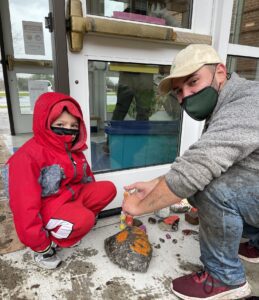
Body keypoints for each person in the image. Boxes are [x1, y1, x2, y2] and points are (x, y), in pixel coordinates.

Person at [122, 44, 259, 299]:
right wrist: (156, 184)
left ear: (220, 72)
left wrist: (140, 207)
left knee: (209, 187)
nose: (186, 96)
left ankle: (224, 279)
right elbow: (210, 159)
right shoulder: (227, 100)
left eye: (193, 82)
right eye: (179, 92)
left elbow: (198, 168)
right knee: (207, 180)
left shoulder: (248, 103)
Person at [2, 92, 117, 269]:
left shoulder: (73, 149)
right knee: (83, 220)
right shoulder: (27, 157)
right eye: (60, 124)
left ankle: (70, 225)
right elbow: (23, 207)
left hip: (70, 198)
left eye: (73, 125)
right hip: (47, 206)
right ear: (45, 123)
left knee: (108, 189)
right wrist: (40, 244)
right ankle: (49, 244)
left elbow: (87, 179)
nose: (68, 130)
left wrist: (84, 208)